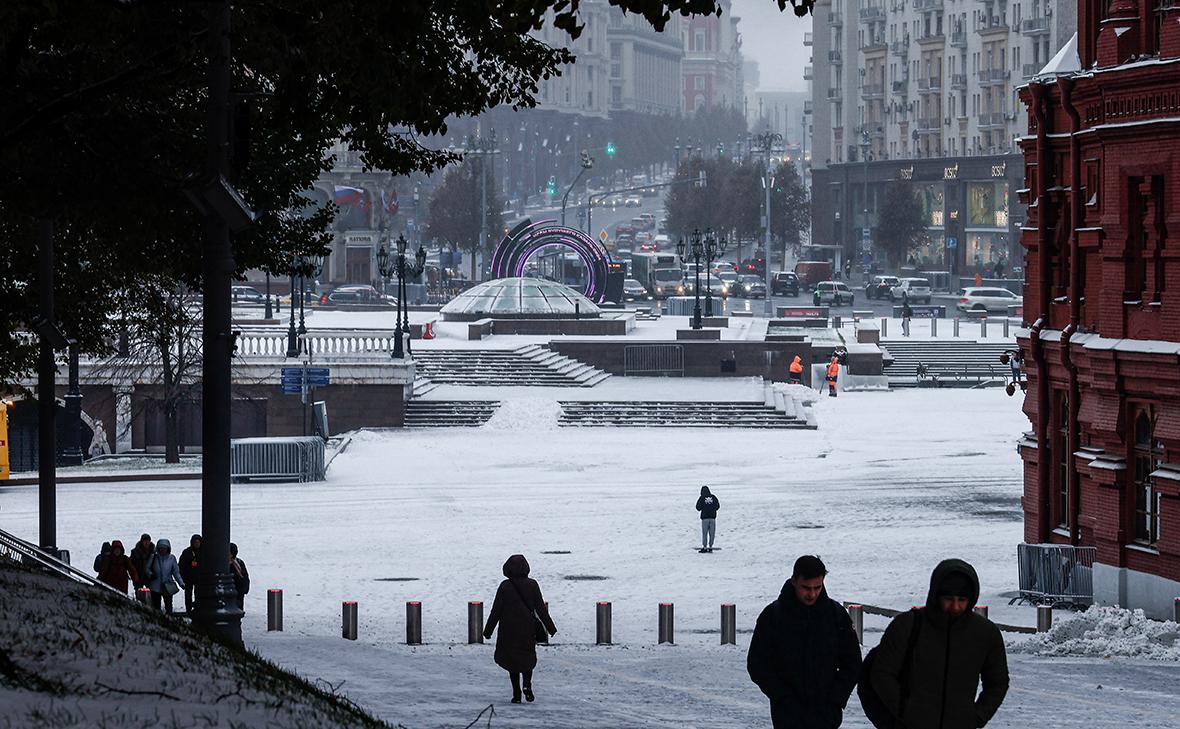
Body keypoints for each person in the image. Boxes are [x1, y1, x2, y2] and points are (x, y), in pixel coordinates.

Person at [870, 559, 1009, 729]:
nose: (955, 606)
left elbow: (998, 682)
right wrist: (904, 710)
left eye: (962, 600)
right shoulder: (907, 626)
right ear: (936, 595)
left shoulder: (985, 633)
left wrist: (978, 716)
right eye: (949, 599)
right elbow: (881, 673)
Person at [748, 555, 862, 729]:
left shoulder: (835, 615)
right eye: (806, 588)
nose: (812, 594)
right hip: (787, 715)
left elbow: (852, 662)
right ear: (794, 581)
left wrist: (836, 699)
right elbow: (757, 664)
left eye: (817, 587)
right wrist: (782, 696)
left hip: (826, 714)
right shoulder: (773, 616)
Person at [483, 554, 557, 704]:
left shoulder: (505, 586)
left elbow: (496, 610)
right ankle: (527, 684)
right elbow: (541, 609)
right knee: (527, 657)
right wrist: (551, 628)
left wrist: (488, 630)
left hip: (508, 629)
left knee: (512, 661)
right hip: (527, 628)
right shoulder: (532, 585)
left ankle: (516, 694)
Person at [144, 538, 184, 614]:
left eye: (164, 548)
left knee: (168, 606)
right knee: (156, 607)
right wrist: (151, 575)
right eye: (161, 548)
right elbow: (147, 569)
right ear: (158, 548)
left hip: (168, 586)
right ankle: (157, 620)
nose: (162, 550)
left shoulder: (172, 558)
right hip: (155, 585)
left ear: (168, 549)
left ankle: (169, 620)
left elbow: (176, 572)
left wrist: (181, 583)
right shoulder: (153, 557)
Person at [179, 534, 202, 614]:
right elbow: (181, 565)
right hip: (188, 577)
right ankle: (188, 609)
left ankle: (197, 608)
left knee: (198, 594)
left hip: (199, 578)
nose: (197, 544)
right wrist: (183, 577)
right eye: (195, 542)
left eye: (198, 542)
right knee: (188, 594)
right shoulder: (187, 552)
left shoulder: (203, 552)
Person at [695, 486, 720, 553]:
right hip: (712, 518)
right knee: (712, 533)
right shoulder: (713, 497)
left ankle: (705, 547)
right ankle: (711, 546)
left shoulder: (702, 498)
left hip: (705, 518)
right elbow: (718, 506)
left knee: (705, 533)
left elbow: (698, 508)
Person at [229, 542, 250, 611]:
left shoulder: (239, 562)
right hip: (229, 590)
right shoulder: (223, 564)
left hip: (239, 590)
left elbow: (244, 576)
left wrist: (245, 588)